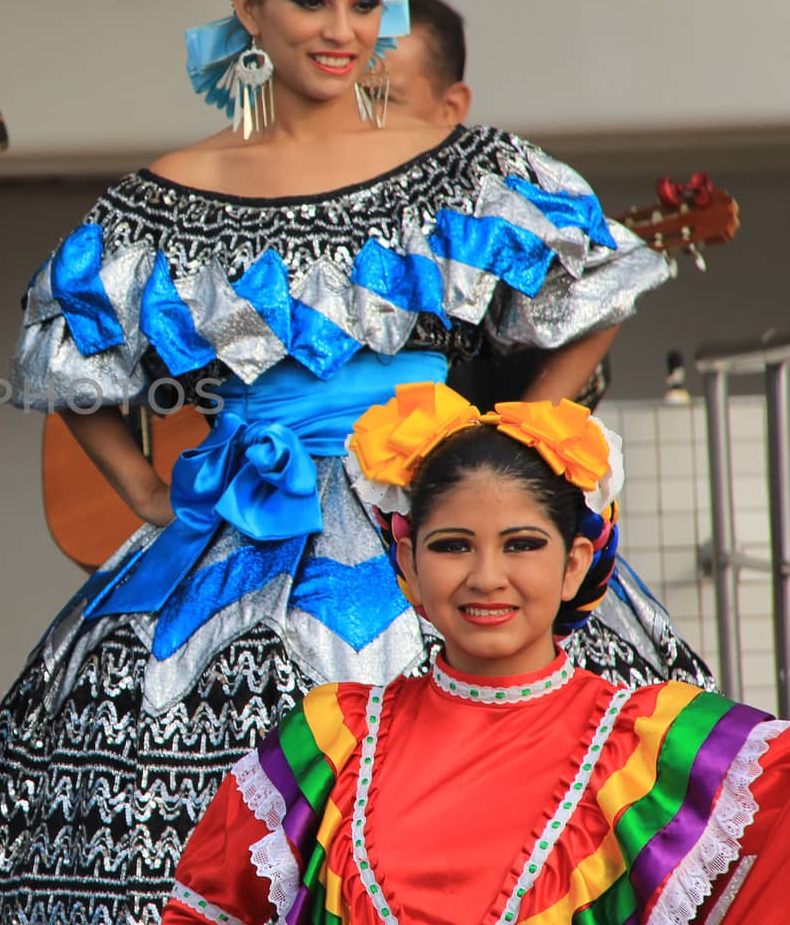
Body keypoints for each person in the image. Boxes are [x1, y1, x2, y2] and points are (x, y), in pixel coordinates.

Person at [0, 0, 708, 923]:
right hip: (235, 537)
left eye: (366, 3)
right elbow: (63, 355)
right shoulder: (162, 195)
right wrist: (140, 490)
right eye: (309, 0)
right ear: (247, 7)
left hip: (433, 510)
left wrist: (526, 424)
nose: (342, 29)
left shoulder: (462, 168)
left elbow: (600, 277)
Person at [164, 385, 789, 924]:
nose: (487, 577)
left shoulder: (657, 745)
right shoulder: (332, 740)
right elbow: (204, 908)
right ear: (407, 563)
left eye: (521, 545)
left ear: (573, 565)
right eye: (453, 546)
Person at [380, 0, 607, 409]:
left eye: (386, 100)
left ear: (450, 110)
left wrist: (518, 441)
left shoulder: (488, 199)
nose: (364, 120)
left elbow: (603, 280)